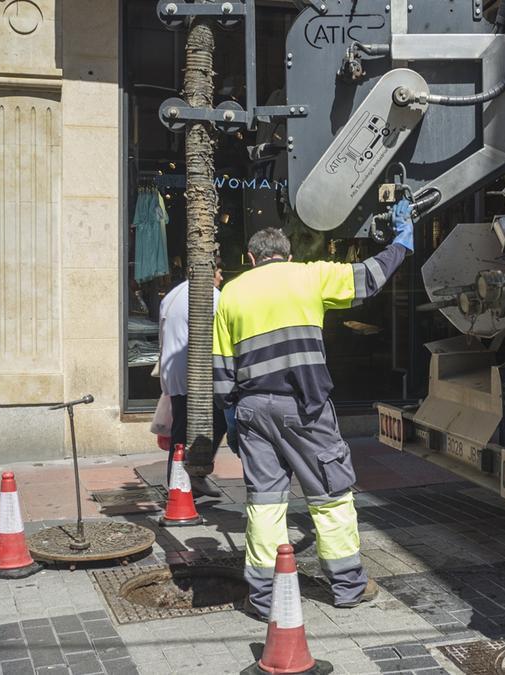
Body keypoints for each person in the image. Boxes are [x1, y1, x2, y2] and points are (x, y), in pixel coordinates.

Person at [213, 200, 414, 620]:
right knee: (330, 496)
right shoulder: (310, 275)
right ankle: (348, 587)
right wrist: (401, 243)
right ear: (288, 254)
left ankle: (264, 598)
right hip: (303, 409)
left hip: (252, 410)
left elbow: (221, 369)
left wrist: (232, 418)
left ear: (251, 259)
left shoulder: (230, 293)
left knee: (265, 503)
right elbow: (369, 278)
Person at [158, 259, 230, 498]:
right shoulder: (210, 295)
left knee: (182, 427)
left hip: (175, 373)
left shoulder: (172, 295)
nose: (220, 278)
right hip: (196, 374)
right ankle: (183, 482)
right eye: (219, 272)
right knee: (215, 420)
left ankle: (187, 478)